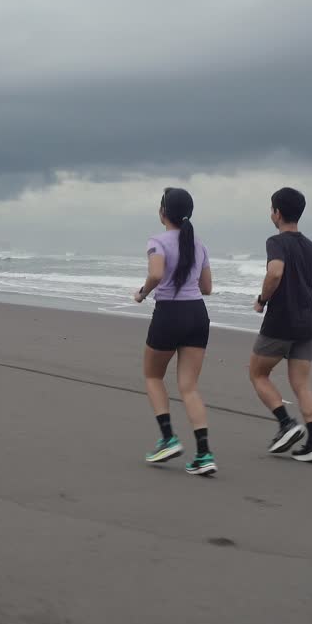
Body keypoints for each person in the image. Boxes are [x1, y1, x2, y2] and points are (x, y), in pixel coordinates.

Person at [134, 187, 216, 476]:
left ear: (162, 213)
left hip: (169, 313)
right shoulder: (199, 244)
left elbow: (156, 273)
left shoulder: (158, 241)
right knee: (189, 387)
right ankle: (204, 454)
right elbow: (207, 288)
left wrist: (142, 293)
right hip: (197, 315)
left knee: (153, 375)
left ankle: (168, 438)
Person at [249, 187, 312, 462]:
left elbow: (274, 273)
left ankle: (286, 423)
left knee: (258, 374)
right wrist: (302, 291)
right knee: (302, 385)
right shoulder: (311, 246)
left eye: (271, 209)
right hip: (306, 325)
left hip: (280, 321)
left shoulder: (276, 242)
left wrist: (262, 300)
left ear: (277, 213)